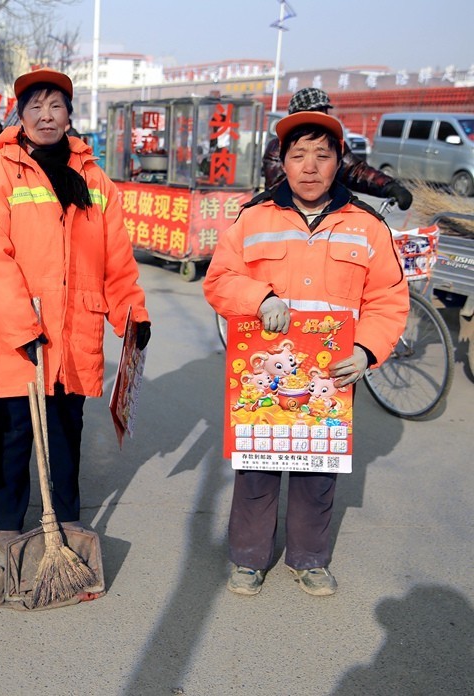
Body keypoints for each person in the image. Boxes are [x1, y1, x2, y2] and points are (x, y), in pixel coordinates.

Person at [204, 109, 409, 597]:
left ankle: (309, 558)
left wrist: (367, 351)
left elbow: (388, 299)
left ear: (339, 161)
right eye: (299, 156)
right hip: (264, 374)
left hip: (332, 376)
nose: (310, 166)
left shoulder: (367, 226)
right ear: (283, 162)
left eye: (322, 154)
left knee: (318, 470)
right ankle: (250, 558)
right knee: (257, 466)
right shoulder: (253, 219)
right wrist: (260, 299)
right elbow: (219, 280)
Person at [0, 68, 151, 552]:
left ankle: (66, 518)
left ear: (70, 114)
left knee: (68, 429)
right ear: (20, 115)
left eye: (56, 106)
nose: (46, 116)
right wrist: (20, 325)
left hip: (74, 329)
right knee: (13, 429)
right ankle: (8, 525)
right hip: (16, 334)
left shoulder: (94, 179)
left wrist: (133, 316)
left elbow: (117, 258)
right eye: (36, 107)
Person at [262, 87, 413, 209]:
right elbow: (279, 187)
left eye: (323, 111)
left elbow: (357, 171)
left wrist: (389, 186)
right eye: (298, 156)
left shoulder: (333, 144)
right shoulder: (278, 147)